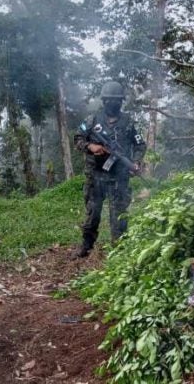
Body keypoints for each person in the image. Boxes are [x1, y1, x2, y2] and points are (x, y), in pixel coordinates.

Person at [73, 81, 146, 258]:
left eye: (117, 101)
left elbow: (140, 145)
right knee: (92, 213)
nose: (113, 104)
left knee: (119, 215)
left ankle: (119, 250)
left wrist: (135, 162)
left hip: (119, 177)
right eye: (109, 100)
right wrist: (91, 147)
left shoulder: (129, 122)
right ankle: (86, 246)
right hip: (95, 175)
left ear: (121, 102)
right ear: (104, 101)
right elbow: (77, 138)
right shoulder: (91, 121)